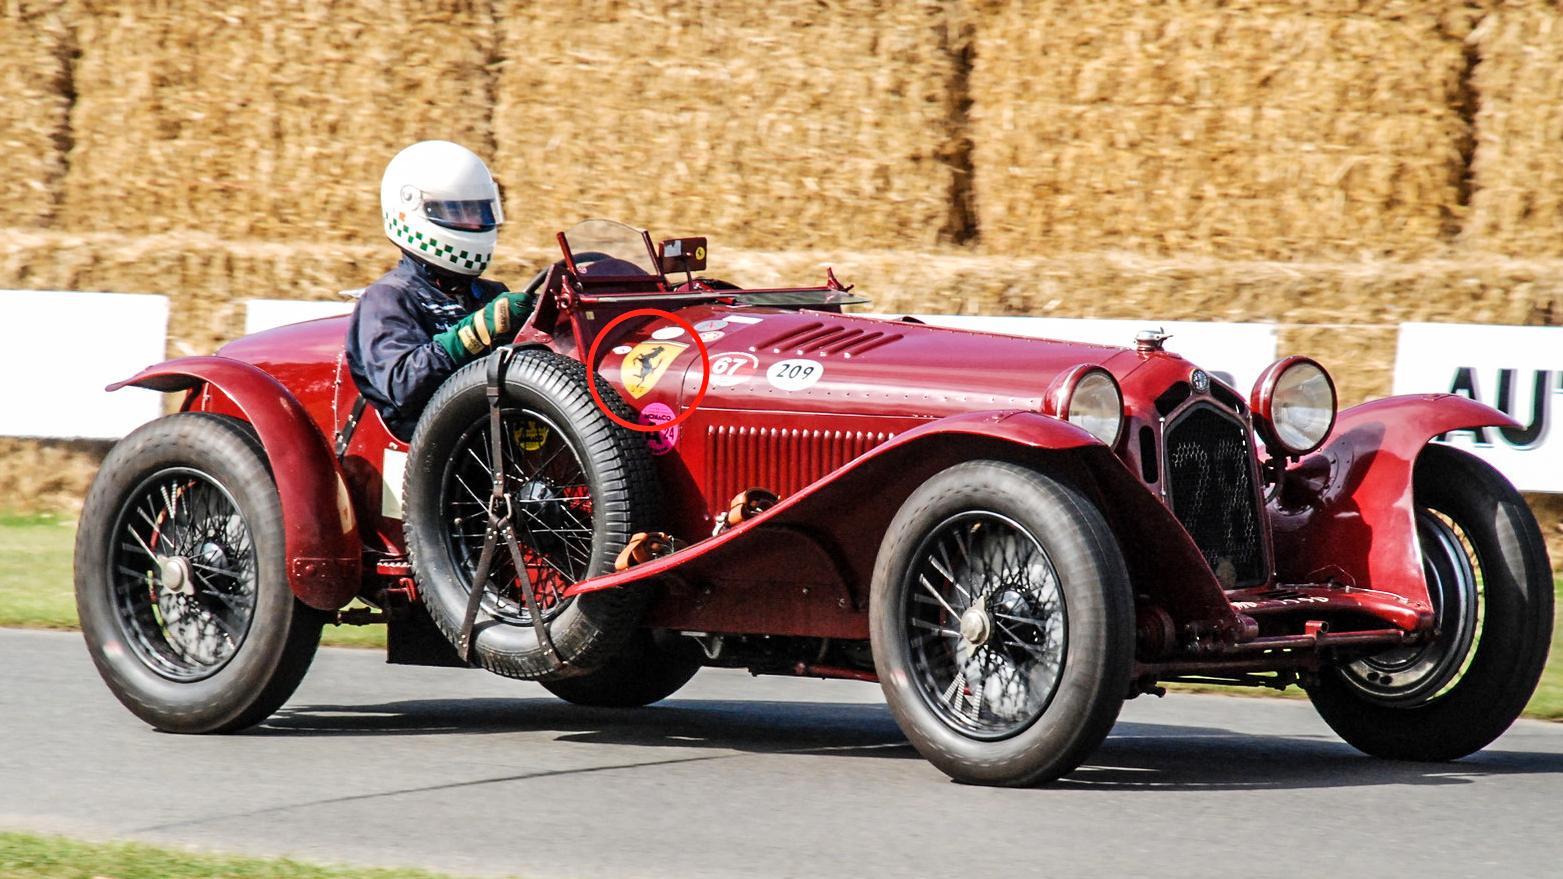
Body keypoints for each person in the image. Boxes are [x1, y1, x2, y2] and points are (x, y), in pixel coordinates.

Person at [346, 140, 536, 440]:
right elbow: (403, 386)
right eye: (458, 211)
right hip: (431, 447)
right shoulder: (388, 297)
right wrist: (476, 331)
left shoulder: (490, 294)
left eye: (479, 212)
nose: (473, 222)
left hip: (490, 438)